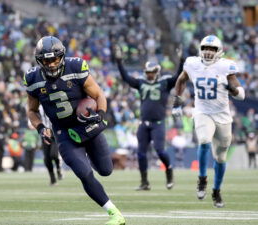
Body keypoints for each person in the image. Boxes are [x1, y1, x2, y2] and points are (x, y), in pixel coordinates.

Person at [25, 36, 125, 225]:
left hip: (87, 125)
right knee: (84, 173)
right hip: (63, 133)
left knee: (105, 170)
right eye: (47, 60)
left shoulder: (76, 67)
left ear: (62, 56)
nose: (52, 63)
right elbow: (31, 110)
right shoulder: (33, 78)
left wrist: (101, 116)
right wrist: (40, 127)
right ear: (39, 60)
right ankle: (114, 213)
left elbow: (98, 94)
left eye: (55, 58)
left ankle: (94, 160)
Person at [172, 35, 245, 208]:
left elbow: (241, 94)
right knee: (204, 141)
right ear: (200, 49)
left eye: (212, 49)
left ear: (218, 51)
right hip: (202, 111)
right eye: (205, 48)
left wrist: (230, 88)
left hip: (222, 115)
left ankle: (216, 191)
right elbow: (181, 80)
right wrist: (177, 101)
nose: (208, 52)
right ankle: (202, 179)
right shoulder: (192, 63)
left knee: (220, 157)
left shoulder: (225, 66)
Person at [112, 44, 183, 191]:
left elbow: (178, 76)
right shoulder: (141, 83)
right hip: (144, 123)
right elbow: (126, 77)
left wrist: (181, 60)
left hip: (158, 123)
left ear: (156, 72)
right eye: (148, 72)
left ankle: (169, 171)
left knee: (160, 150)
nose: (150, 74)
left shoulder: (165, 82)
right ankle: (145, 182)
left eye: (152, 72)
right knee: (141, 154)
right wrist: (119, 61)